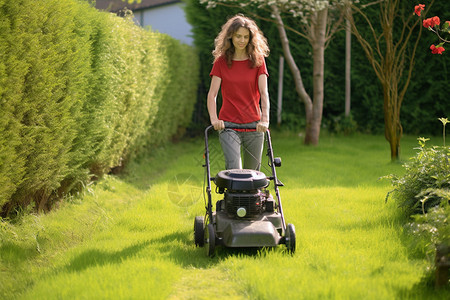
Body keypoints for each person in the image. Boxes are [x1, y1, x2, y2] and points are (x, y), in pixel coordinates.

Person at [207, 14, 270, 171]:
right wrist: (215, 119)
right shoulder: (221, 62)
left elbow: (264, 92)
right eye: (238, 36)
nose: (242, 40)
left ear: (251, 38)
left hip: (254, 125)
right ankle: (234, 195)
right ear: (231, 36)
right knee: (235, 169)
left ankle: (251, 197)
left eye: (246, 37)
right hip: (228, 125)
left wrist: (264, 120)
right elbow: (212, 94)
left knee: (253, 173)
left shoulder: (258, 60)